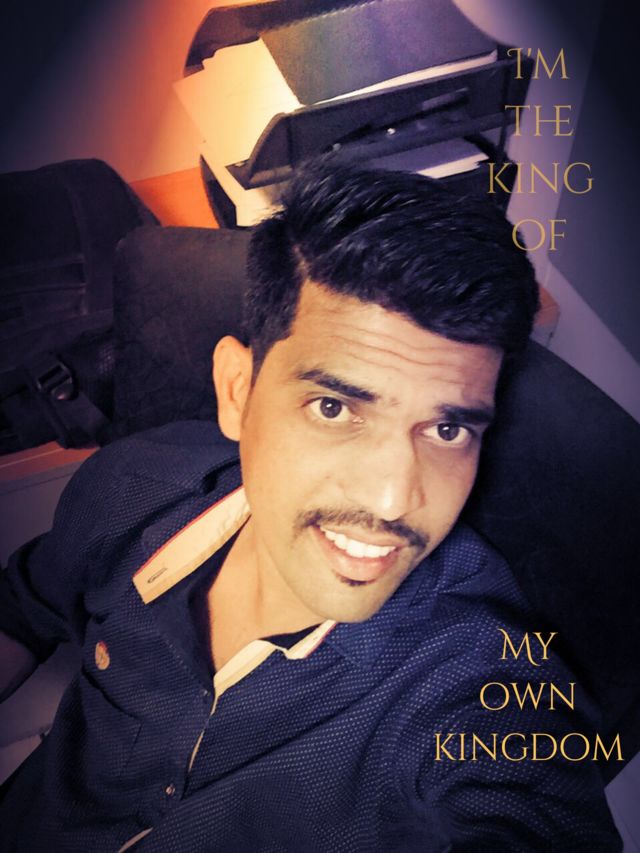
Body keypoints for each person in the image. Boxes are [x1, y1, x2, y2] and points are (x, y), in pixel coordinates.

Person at [0, 163, 621, 851]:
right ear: (237, 391)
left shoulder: (478, 685)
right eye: (334, 407)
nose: (394, 500)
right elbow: (23, 607)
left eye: (447, 429)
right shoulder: (132, 486)